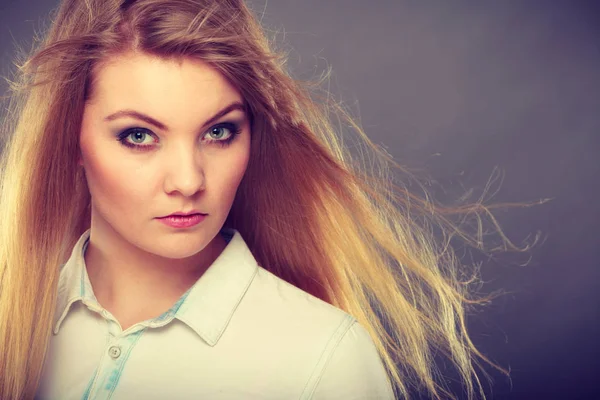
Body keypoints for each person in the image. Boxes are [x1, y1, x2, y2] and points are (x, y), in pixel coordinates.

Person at [0, 0, 539, 399]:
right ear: (70, 139)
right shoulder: (12, 323)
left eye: (219, 132)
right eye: (139, 135)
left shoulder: (323, 359)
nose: (188, 180)